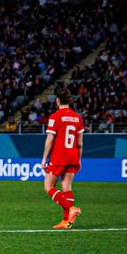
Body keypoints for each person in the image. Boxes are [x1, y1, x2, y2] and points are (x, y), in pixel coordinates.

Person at [42, 95, 85, 230]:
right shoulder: (77, 118)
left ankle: (71, 209)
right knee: (66, 187)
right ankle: (66, 221)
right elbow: (80, 142)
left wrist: (44, 158)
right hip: (73, 155)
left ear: (58, 101)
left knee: (48, 187)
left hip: (59, 156)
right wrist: (79, 158)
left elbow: (50, 138)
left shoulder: (55, 116)